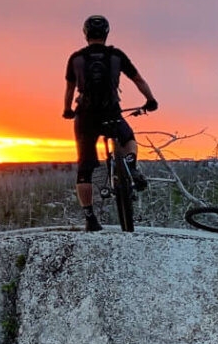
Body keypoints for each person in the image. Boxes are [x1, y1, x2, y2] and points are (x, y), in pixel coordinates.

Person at [63, 15, 158, 231]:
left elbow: (69, 88)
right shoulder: (116, 55)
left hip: (86, 117)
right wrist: (150, 100)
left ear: (86, 34)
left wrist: (68, 110)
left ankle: (90, 218)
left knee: (84, 168)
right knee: (128, 138)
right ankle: (131, 164)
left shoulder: (76, 59)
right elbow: (139, 80)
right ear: (106, 34)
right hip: (111, 113)